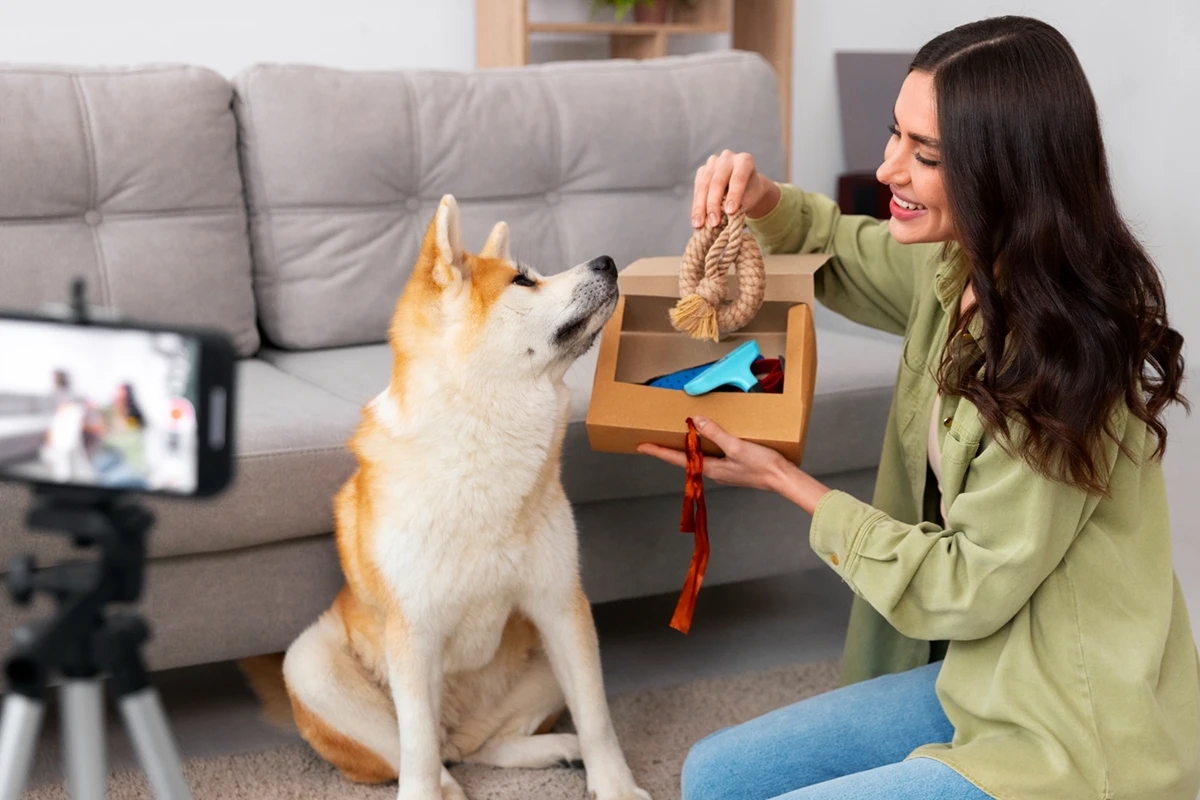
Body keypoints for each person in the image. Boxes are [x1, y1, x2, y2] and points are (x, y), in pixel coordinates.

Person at [638, 15, 1200, 800]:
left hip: (1069, 732)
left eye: (925, 154)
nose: (887, 167)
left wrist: (785, 482)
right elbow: (839, 250)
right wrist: (764, 199)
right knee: (716, 775)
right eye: (894, 135)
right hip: (981, 676)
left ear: (1006, 173)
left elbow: (962, 587)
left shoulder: (1066, 359)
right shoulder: (957, 268)